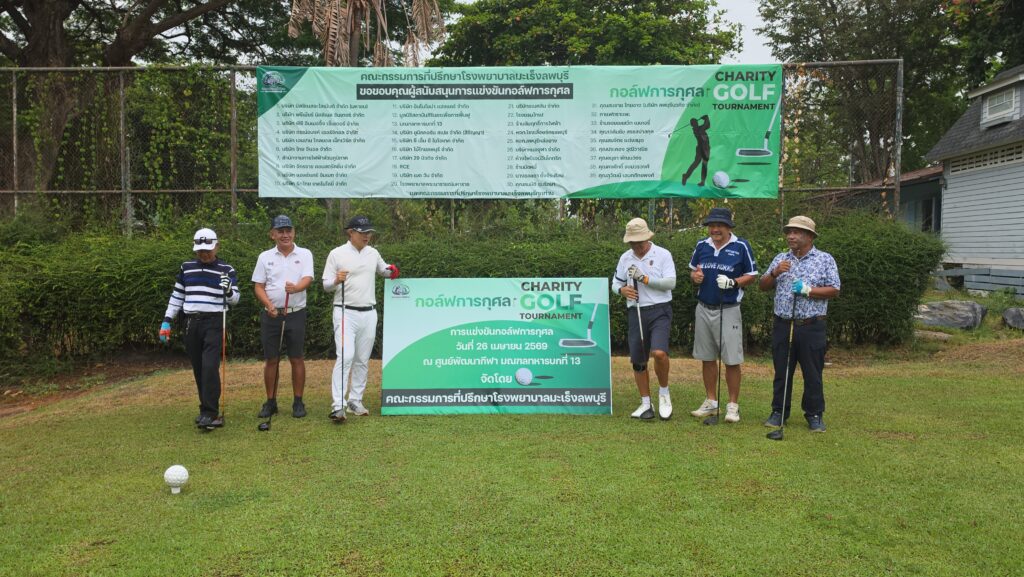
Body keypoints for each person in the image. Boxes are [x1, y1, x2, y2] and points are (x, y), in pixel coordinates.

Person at [758, 216, 840, 433]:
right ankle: (778, 411)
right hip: (783, 324)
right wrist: (775, 272)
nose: (791, 236)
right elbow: (763, 285)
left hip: (811, 325)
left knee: (812, 373)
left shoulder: (824, 259)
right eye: (789, 232)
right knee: (782, 371)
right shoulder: (781, 258)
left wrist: (808, 290)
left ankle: (814, 414)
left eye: (796, 232)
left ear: (810, 236)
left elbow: (834, 289)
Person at [159, 228, 240, 431]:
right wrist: (167, 320)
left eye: (208, 250)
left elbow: (235, 300)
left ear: (217, 246)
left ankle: (210, 413)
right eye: (200, 250)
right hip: (191, 322)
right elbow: (177, 296)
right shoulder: (186, 268)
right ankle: (205, 408)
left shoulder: (226, 269)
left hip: (214, 321)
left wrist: (228, 290)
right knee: (198, 367)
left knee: (210, 366)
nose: (204, 254)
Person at [322, 216, 399, 422]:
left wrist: (392, 271)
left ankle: (355, 400)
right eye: (363, 232)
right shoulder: (336, 253)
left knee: (362, 359)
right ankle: (338, 405)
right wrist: (336, 280)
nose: (367, 236)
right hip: (344, 311)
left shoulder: (373, 253)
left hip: (369, 312)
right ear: (351, 233)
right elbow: (325, 285)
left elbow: (384, 270)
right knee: (346, 356)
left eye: (369, 232)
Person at [688, 207, 758, 423]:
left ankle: (732, 406)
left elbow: (752, 275)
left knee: (731, 360)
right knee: (707, 357)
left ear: (728, 227)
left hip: (728, 309)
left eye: (719, 225)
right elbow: (693, 271)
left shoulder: (741, 246)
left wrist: (733, 282)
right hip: (704, 307)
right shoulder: (702, 245)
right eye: (712, 225)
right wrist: (695, 277)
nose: (715, 229)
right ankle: (711, 401)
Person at [611, 217, 677, 420]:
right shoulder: (625, 258)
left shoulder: (663, 254)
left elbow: (670, 283)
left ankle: (664, 394)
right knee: (639, 360)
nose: (636, 246)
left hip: (660, 310)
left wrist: (644, 279)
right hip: (636, 311)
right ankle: (646, 403)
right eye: (632, 242)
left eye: (639, 242)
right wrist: (622, 290)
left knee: (659, 353)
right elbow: (615, 283)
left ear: (647, 237)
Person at [252, 215, 314, 419]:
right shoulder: (264, 257)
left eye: (288, 231)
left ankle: (298, 401)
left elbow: (308, 278)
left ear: (294, 232)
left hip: (296, 313)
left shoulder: (305, 254)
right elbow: (258, 286)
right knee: (272, 359)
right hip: (272, 314)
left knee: (296, 358)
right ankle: (271, 402)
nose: (285, 235)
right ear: (272, 234)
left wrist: (296, 288)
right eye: (280, 231)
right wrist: (269, 305)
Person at [681, 115, 711, 186]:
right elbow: (706, 124)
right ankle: (686, 176)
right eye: (694, 122)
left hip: (706, 148)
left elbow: (708, 125)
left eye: (696, 121)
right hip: (701, 148)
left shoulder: (699, 128)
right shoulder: (698, 129)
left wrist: (706, 119)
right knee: (696, 163)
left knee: (704, 164)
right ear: (692, 125)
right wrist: (706, 118)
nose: (696, 123)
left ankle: (702, 181)